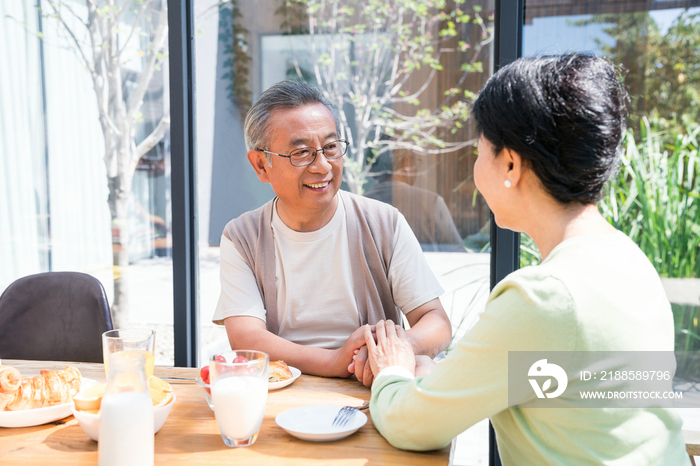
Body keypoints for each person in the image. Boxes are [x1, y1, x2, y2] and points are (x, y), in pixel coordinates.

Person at [362, 54, 690, 464]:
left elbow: (409, 425)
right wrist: (442, 380)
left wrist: (392, 368)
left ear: (511, 164)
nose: (476, 167)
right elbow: (565, 389)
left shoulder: (548, 298)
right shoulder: (628, 259)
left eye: (479, 151)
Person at [212, 80, 452, 384]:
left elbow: (435, 320)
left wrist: (394, 349)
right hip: (285, 389)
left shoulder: (383, 222)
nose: (322, 166)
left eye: (330, 147)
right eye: (301, 153)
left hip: (373, 384)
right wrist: (334, 361)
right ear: (261, 165)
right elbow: (247, 339)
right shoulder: (242, 236)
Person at [364, 152, 464, 252]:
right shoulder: (431, 202)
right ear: (406, 163)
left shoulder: (361, 205)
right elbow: (457, 252)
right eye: (416, 162)